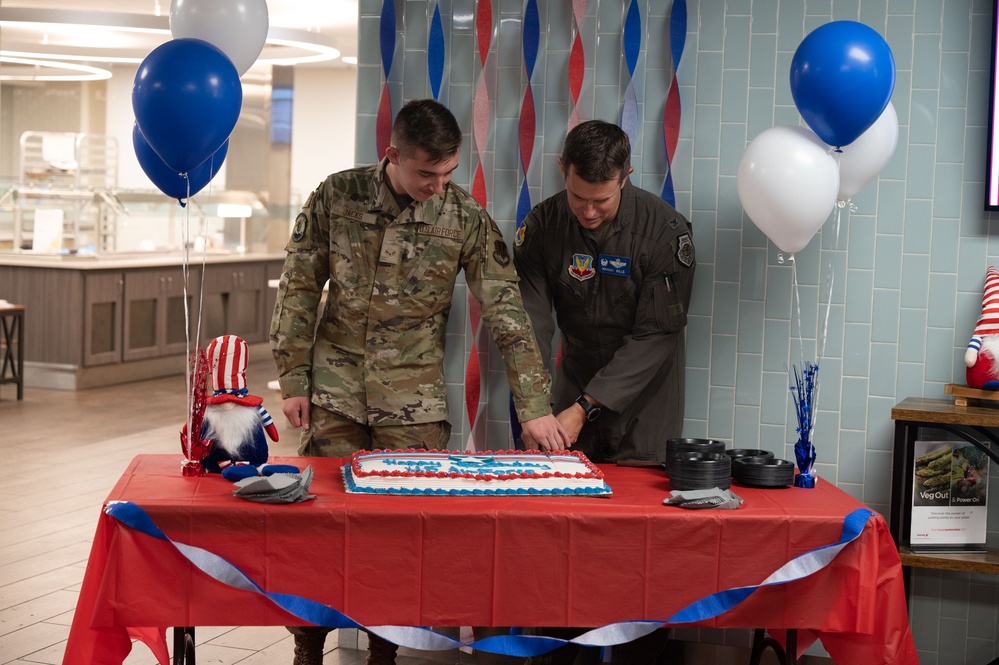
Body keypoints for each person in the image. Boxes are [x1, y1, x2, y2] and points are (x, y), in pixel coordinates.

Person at [269, 98, 568, 665]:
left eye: (448, 172)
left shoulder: (463, 217)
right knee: (321, 533)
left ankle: (388, 650)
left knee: (403, 541)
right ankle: (308, 644)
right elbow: (300, 288)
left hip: (414, 410)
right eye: (426, 173)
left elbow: (505, 310)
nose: (438, 184)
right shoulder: (337, 197)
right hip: (334, 398)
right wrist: (293, 377)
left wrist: (533, 404)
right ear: (393, 157)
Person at [513, 120, 695, 665]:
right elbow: (530, 325)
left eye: (601, 200)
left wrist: (584, 408)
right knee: (561, 535)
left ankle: (640, 654)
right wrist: (536, 407)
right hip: (568, 390)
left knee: (641, 543)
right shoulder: (542, 227)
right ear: (561, 172)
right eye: (577, 196)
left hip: (646, 404)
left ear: (626, 178)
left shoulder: (666, 232)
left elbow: (654, 336)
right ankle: (556, 648)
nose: (587, 211)